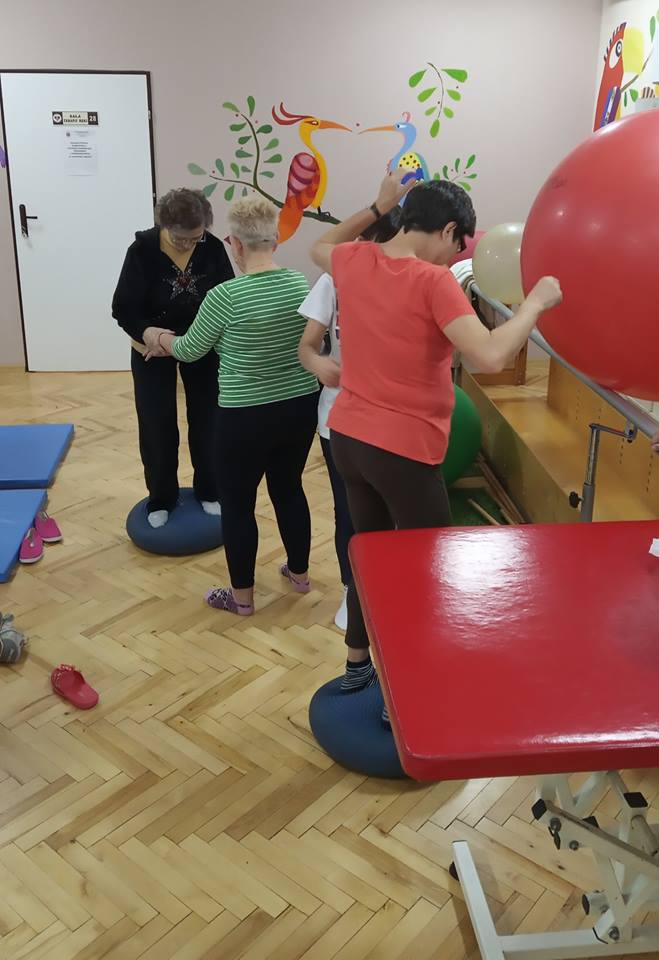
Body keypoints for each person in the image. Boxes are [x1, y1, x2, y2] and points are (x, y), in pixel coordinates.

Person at [310, 170, 562, 710]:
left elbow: (320, 244)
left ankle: (357, 665)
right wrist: (534, 305)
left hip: (348, 438)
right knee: (426, 574)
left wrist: (378, 206)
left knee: (370, 559)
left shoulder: (355, 259)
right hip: (400, 451)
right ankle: (406, 693)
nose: (455, 257)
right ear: (448, 231)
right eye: (458, 245)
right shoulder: (432, 280)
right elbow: (490, 355)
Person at [150, 195, 319, 615]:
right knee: (289, 488)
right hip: (300, 408)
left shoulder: (225, 297)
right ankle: (299, 576)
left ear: (236, 244)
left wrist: (159, 337)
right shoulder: (300, 284)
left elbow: (189, 350)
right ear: (275, 240)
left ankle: (242, 599)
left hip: (244, 417)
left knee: (239, 504)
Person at [298, 209, 401, 631]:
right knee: (349, 509)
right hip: (339, 418)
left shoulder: (408, 280)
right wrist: (318, 364)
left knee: (391, 507)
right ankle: (351, 588)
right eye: (364, 244)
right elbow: (307, 346)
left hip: (392, 419)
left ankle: (387, 587)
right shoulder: (333, 279)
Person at [112, 188, 234, 528]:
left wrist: (207, 337)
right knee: (156, 423)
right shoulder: (141, 251)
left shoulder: (212, 247)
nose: (188, 245)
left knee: (208, 419)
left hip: (201, 345)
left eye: (195, 238)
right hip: (151, 348)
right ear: (164, 226)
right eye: (181, 239)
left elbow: (225, 298)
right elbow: (123, 308)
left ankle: (210, 490)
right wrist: (148, 332)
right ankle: (161, 497)